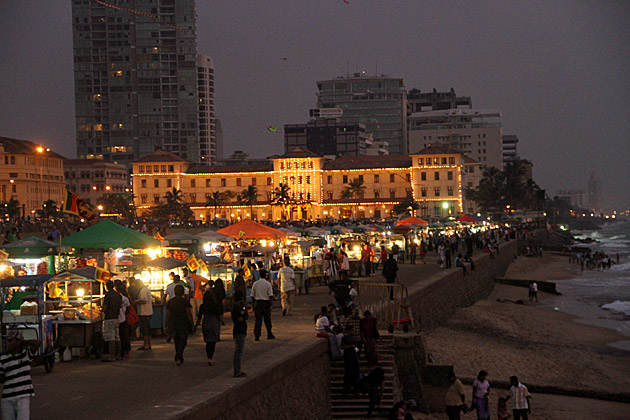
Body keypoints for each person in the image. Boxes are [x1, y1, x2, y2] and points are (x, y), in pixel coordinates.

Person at [0, 330, 39, 420]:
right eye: (7, 340)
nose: (8, 343)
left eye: (10, 340)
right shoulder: (3, 358)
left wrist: (22, 342)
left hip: (23, 396)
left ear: (18, 341)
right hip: (7, 397)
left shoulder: (26, 355)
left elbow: (37, 343)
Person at [165, 284, 193, 366]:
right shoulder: (185, 302)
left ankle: (179, 355)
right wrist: (191, 323)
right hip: (183, 322)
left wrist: (166, 324)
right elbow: (189, 313)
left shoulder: (170, 302)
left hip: (173, 322)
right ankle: (179, 354)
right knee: (183, 340)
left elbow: (168, 314)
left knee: (176, 340)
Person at [196, 289, 223, 365]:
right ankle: (210, 357)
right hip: (214, 322)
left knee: (208, 341)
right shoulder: (215, 305)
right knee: (213, 342)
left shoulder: (203, 306)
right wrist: (222, 321)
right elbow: (219, 315)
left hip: (206, 322)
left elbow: (199, 317)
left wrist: (196, 325)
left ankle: (208, 356)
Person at [250, 272, 275, 341]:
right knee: (267, 320)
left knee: (258, 320)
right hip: (265, 303)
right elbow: (270, 296)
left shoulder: (255, 283)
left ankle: (257, 335)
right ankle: (269, 333)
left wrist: (252, 305)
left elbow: (252, 295)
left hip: (257, 303)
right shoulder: (268, 284)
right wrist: (271, 305)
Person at [101, 280, 122, 361]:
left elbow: (105, 307)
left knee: (111, 337)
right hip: (116, 317)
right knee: (117, 337)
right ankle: (118, 355)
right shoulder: (118, 295)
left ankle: (112, 355)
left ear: (106, 286)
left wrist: (101, 309)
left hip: (109, 317)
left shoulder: (108, 295)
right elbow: (120, 306)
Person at [231, 290, 248, 377]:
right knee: (238, 351)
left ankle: (237, 369)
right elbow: (245, 316)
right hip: (240, 330)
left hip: (237, 330)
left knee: (238, 351)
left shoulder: (234, 308)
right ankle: (237, 370)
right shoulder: (238, 308)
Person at [340, 325, 361, 395]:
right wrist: (350, 346)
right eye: (352, 330)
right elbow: (342, 347)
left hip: (354, 358)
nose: (353, 331)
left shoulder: (354, 338)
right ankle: (346, 390)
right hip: (348, 358)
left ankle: (356, 389)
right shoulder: (344, 338)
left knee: (355, 374)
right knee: (348, 374)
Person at [115, 281, 131, 359]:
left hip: (117, 319)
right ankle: (126, 351)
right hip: (123, 318)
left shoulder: (116, 298)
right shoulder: (126, 298)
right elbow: (128, 309)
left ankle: (120, 352)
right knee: (124, 336)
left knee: (118, 336)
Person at [136, 279, 153, 350]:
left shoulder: (143, 291)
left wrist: (136, 301)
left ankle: (146, 345)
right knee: (148, 329)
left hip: (144, 312)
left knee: (145, 329)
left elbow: (143, 301)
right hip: (148, 312)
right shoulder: (147, 289)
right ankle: (149, 344)